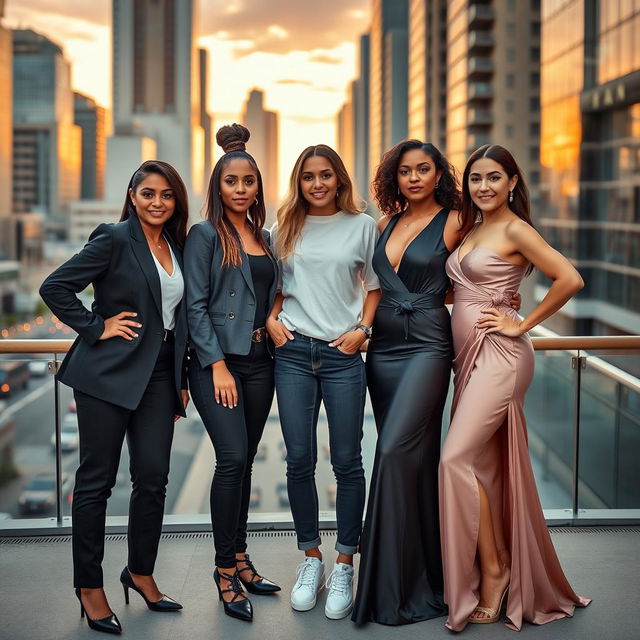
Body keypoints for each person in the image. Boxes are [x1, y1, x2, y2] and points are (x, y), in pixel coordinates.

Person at [439, 144, 590, 632]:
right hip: (468, 359)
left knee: (454, 459)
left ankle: (494, 572)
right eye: (476, 178)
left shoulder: (515, 228)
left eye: (493, 178)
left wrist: (522, 326)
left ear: (511, 183)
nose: (483, 186)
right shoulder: (473, 228)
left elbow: (569, 278)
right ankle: (496, 568)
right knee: (482, 468)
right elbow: (458, 290)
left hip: (502, 358)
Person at [40, 160, 190, 635]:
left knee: (153, 478)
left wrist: (182, 373)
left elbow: (178, 314)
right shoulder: (113, 237)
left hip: (160, 376)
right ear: (132, 195)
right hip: (106, 374)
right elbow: (55, 286)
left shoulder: (177, 245)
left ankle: (140, 572)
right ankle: (89, 587)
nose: (157, 202)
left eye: (166, 195)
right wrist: (95, 326)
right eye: (148, 193)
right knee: (96, 482)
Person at [267, 144, 380, 620]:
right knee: (298, 459)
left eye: (325, 176)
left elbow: (373, 287)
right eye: (309, 176)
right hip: (292, 354)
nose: (317, 184)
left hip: (342, 356)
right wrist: (273, 319)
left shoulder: (363, 226)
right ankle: (310, 557)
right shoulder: (282, 228)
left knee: (348, 460)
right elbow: (273, 287)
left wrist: (362, 331)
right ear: (299, 181)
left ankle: (345, 563)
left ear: (339, 180)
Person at [351, 140, 461, 625]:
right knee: (411, 461)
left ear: (439, 173)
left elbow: (480, 269)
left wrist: (506, 311)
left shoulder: (457, 219)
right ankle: (424, 577)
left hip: (430, 348)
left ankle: (391, 587)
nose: (414, 178)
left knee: (393, 451)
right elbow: (364, 286)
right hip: (384, 350)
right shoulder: (383, 225)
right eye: (404, 171)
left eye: (423, 169)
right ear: (393, 179)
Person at [184, 124, 280, 623]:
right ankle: (223, 570)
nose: (241, 189)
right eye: (231, 182)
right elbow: (195, 306)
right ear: (218, 188)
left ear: (258, 186)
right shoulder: (204, 235)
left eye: (248, 181)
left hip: (262, 362)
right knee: (232, 458)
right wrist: (216, 364)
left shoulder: (265, 237)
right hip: (218, 365)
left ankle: (241, 558)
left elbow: (269, 298)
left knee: (244, 464)